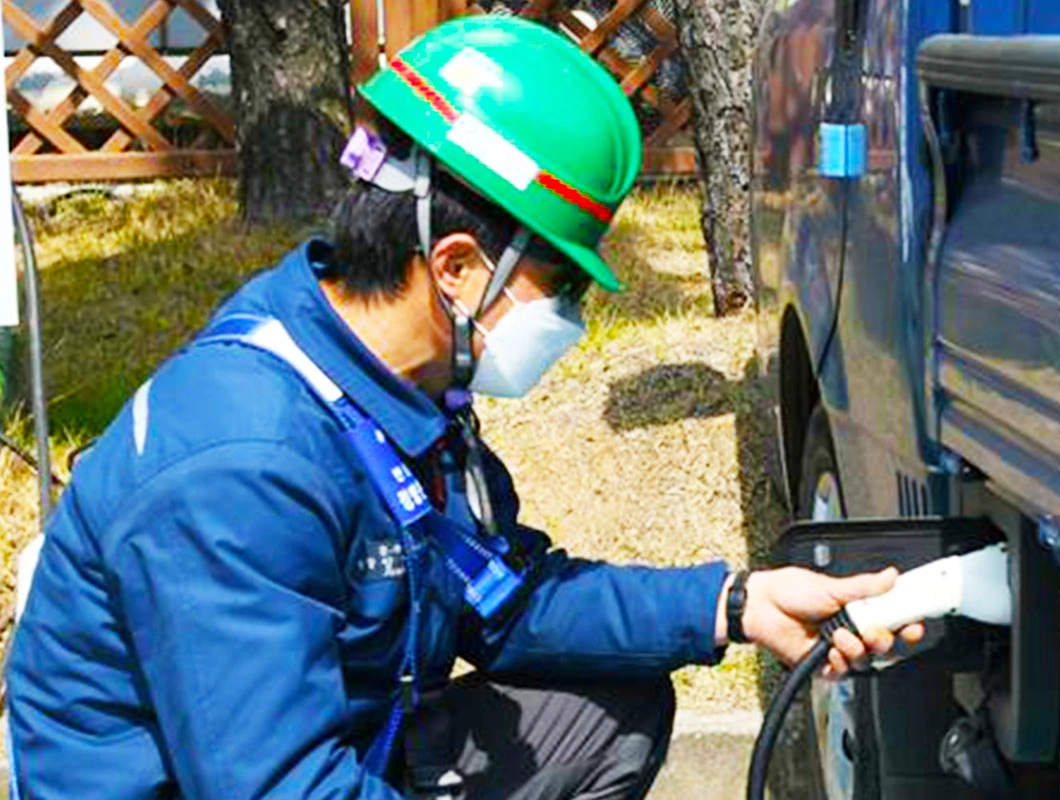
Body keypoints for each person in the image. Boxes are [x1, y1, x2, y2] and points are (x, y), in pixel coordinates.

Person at [6, 16, 921, 800]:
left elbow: (505, 600)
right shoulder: (244, 466)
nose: (566, 319)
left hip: (345, 745)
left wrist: (735, 605)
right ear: (454, 266)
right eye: (558, 285)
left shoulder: (385, 384)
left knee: (615, 710)